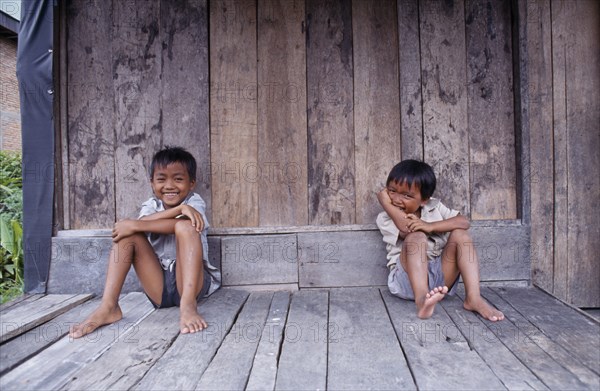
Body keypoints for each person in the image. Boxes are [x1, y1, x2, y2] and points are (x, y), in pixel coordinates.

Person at [70, 146, 221, 338]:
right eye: (161, 179)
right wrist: (177, 211)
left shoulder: (194, 202)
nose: (169, 185)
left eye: (178, 179)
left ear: (191, 183)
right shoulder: (152, 205)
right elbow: (136, 226)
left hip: (191, 284)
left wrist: (181, 212)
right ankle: (109, 306)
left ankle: (188, 305)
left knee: (185, 226)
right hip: (158, 285)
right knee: (127, 234)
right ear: (151, 183)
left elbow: (173, 226)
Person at [376, 160, 504, 321]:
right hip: (406, 281)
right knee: (416, 236)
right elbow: (405, 228)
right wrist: (384, 202)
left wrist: (430, 226)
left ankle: (473, 298)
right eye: (391, 191)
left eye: (407, 195)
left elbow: (464, 222)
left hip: (439, 281)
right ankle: (422, 300)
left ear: (424, 200)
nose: (396, 199)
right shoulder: (386, 217)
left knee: (461, 235)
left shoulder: (434, 207)